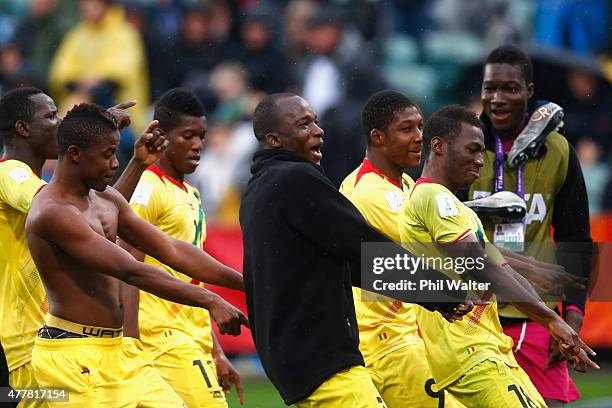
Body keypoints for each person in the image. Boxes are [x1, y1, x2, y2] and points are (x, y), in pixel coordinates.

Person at [240, 93, 466, 407]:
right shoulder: (298, 179)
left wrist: (436, 299)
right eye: (304, 125)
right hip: (326, 359)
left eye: (316, 121)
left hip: (300, 359)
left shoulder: (258, 188)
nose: (319, 131)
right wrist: (441, 291)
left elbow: (353, 264)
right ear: (275, 139)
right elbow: (363, 247)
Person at [25, 103, 248, 407]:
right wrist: (209, 299)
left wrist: (248, 283)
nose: (115, 164)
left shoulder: (106, 197)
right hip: (72, 356)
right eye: (107, 155)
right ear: (75, 154)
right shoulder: (53, 213)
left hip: (119, 351)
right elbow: (131, 270)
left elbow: (171, 249)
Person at [398, 105, 597, 408]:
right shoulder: (432, 197)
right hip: (470, 355)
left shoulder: (456, 208)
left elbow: (499, 265)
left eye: (482, 152)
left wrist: (539, 285)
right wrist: (553, 320)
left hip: (488, 349)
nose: (480, 160)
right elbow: (481, 267)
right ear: (438, 146)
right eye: (473, 150)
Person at [0, 87, 161, 407]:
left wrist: (114, 151)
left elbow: (98, 211)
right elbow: (73, 215)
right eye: (50, 116)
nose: (58, 123)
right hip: (31, 349)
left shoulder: (40, 180)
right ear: (23, 129)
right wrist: (90, 140)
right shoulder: (9, 173)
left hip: (60, 345)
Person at [466, 44, 593, 406]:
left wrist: (572, 315)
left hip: (538, 316)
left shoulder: (559, 151)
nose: (498, 98)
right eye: (490, 88)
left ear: (530, 92)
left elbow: (575, 239)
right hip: (475, 312)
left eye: (510, 88)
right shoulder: (463, 145)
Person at [120, 88, 243, 407]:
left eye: (202, 136)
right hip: (161, 337)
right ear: (161, 135)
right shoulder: (148, 186)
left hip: (192, 336)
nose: (198, 145)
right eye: (188, 136)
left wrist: (215, 349)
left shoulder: (191, 193)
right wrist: (131, 340)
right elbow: (126, 267)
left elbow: (192, 280)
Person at [339, 90, 461, 407]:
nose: (419, 137)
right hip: (386, 340)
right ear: (378, 137)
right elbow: (425, 252)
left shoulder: (405, 184)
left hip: (410, 332)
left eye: (421, 127)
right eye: (407, 129)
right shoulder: (365, 191)